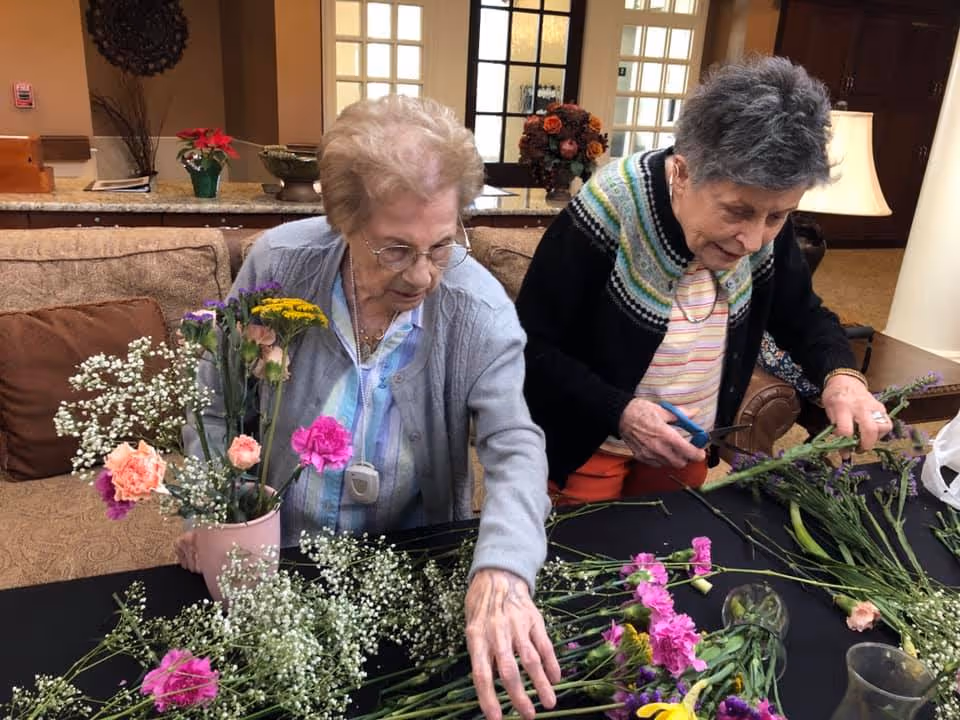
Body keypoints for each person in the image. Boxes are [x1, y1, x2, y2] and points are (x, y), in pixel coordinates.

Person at [180, 95, 558, 720]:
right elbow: (214, 400)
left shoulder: (479, 311)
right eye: (395, 249)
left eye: (441, 246)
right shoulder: (279, 265)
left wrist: (504, 571)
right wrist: (210, 507)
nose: (422, 277)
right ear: (343, 222)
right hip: (279, 559)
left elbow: (515, 443)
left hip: (407, 570)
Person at [516, 55, 892, 504]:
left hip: (686, 443)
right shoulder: (606, 212)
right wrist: (622, 413)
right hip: (587, 444)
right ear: (682, 170)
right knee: (586, 555)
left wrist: (841, 377)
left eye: (778, 215)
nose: (754, 241)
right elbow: (531, 346)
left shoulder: (763, 220)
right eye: (737, 211)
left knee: (669, 554)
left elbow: (801, 315)